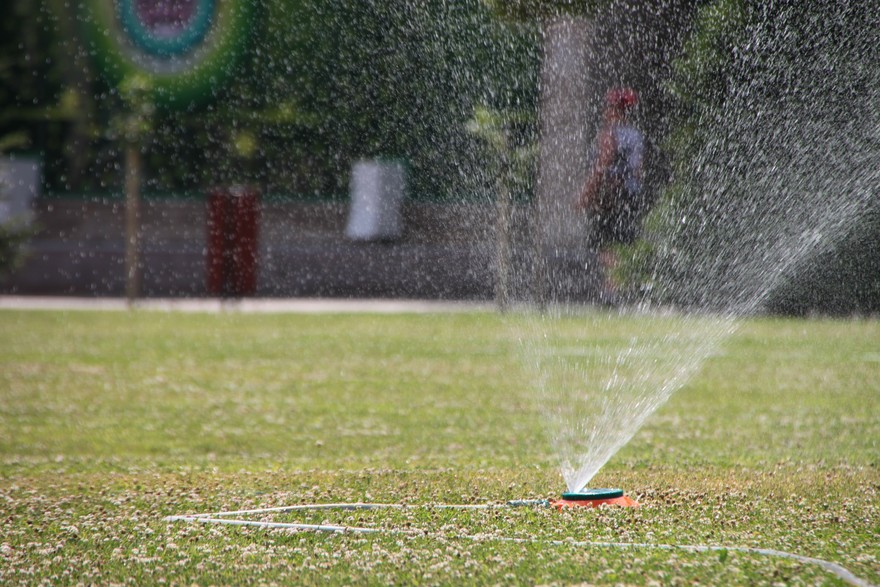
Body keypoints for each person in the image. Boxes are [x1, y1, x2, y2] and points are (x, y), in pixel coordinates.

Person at [576, 87, 645, 302]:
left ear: (615, 110)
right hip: (629, 197)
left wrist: (586, 194)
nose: (604, 111)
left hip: (608, 198)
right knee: (622, 243)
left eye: (608, 106)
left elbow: (601, 167)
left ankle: (611, 293)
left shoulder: (609, 134)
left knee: (606, 246)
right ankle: (621, 289)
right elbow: (638, 170)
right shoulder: (635, 136)